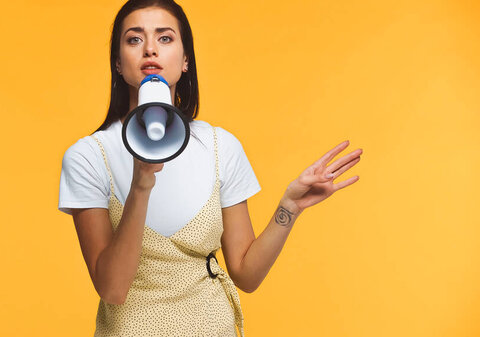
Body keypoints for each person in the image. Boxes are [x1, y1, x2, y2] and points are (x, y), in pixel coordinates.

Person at [58, 1, 363, 336]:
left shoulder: (220, 147)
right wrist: (141, 184)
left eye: (165, 38)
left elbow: (246, 275)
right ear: (118, 63)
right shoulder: (89, 156)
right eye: (134, 39)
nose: (149, 50)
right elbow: (113, 289)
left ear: (185, 59)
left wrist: (289, 207)